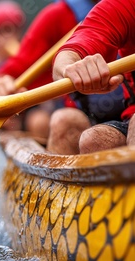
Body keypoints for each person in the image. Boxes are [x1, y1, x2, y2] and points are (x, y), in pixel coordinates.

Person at [0, 0, 126, 141]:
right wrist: (0, 85)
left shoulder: (126, 8)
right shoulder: (57, 15)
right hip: (80, 116)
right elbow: (14, 70)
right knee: (43, 121)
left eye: (8, 29)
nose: (3, 37)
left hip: (128, 111)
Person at [50, 0, 135, 154]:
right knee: (92, 139)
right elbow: (70, 53)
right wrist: (68, 66)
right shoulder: (123, 5)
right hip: (101, 112)